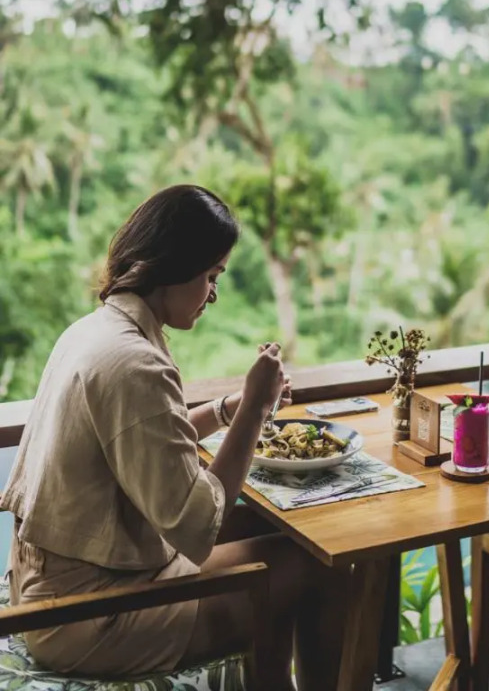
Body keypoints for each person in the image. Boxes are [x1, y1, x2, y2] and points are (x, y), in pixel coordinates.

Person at [1, 185, 348, 690]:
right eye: (211, 276)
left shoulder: (95, 332)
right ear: (174, 265)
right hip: (88, 617)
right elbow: (197, 529)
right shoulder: (135, 363)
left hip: (53, 586)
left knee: (280, 539)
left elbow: (143, 439)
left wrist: (226, 409)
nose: (213, 293)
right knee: (316, 566)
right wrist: (252, 408)